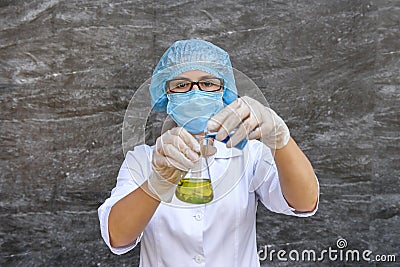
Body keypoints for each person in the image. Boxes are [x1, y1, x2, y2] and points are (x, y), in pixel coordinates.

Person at [98, 39, 319, 267]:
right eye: (181, 85)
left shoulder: (249, 153)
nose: (195, 93)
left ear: (224, 90)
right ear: (166, 94)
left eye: (208, 83)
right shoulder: (142, 159)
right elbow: (118, 236)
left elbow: (304, 202)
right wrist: (158, 182)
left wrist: (280, 139)